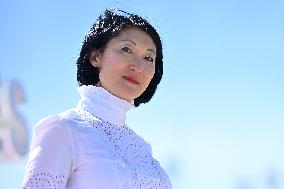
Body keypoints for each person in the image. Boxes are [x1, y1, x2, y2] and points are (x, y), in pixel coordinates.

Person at [22, 9, 172, 189]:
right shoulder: (64, 129)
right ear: (96, 56)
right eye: (126, 49)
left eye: (148, 58)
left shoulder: (142, 148)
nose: (138, 67)